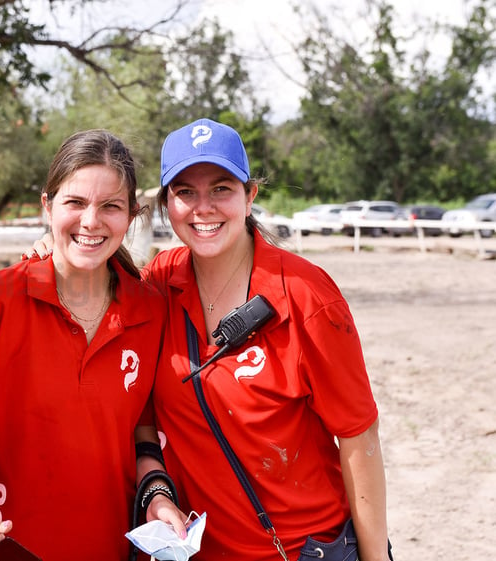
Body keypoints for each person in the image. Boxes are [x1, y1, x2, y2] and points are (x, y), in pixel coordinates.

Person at [30, 119, 392, 561]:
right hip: (197, 551)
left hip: (301, 549)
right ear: (166, 204)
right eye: (185, 192)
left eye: (221, 188)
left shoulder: (305, 296)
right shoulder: (159, 283)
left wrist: (377, 557)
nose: (203, 208)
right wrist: (54, 244)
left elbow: (359, 438)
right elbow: (91, 269)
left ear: (250, 195)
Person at [0, 129, 181, 560]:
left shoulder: (151, 311)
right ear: (48, 205)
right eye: (75, 203)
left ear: (130, 216)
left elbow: (142, 431)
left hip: (105, 547)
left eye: (110, 206)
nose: (91, 221)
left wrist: (158, 495)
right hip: (0, 550)